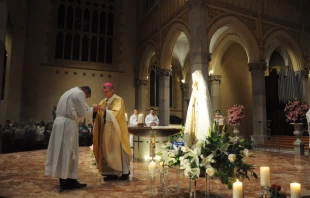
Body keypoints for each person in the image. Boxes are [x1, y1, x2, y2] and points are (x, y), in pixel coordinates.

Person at [45, 86, 99, 191]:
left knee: (62, 153)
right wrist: (94, 110)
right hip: (68, 125)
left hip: (60, 124)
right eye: (87, 96)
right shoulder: (79, 93)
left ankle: (65, 180)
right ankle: (69, 181)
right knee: (68, 152)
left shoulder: (68, 92)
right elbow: (83, 112)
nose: (85, 98)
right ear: (85, 92)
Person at [92, 82, 132, 180]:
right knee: (105, 150)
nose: (105, 94)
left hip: (115, 131)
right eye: (104, 92)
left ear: (112, 90)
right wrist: (96, 111)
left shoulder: (119, 100)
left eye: (106, 92)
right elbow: (99, 116)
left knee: (117, 150)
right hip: (105, 131)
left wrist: (104, 110)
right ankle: (109, 173)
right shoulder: (103, 101)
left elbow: (116, 114)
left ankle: (122, 171)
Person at [184, 70, 214, 146]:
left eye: (194, 78)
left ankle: (201, 141)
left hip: (201, 109)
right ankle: (194, 140)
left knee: (201, 125)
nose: (193, 81)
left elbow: (203, 98)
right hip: (196, 108)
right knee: (194, 124)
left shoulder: (202, 86)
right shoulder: (195, 87)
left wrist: (195, 92)